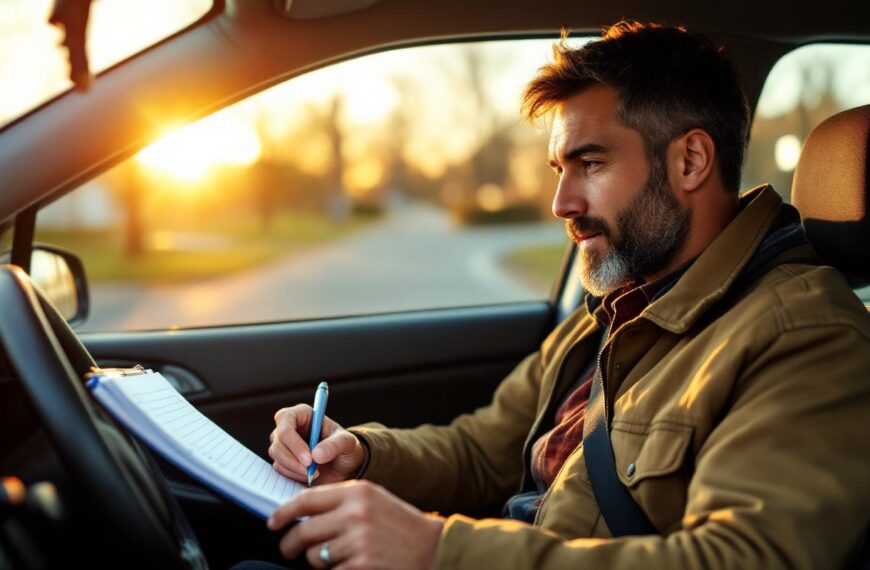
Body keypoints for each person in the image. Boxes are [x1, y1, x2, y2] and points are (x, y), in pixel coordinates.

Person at [265, 22, 870, 569]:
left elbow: (740, 558)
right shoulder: (614, 308)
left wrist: (437, 551)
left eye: (592, 163)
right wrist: (363, 455)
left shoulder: (806, 335)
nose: (562, 205)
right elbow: (484, 449)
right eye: (561, 169)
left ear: (690, 161)